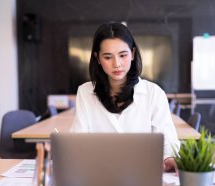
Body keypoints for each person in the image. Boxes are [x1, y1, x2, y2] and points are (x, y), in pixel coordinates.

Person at [70, 22, 180, 172]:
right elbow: (78, 142)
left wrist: (169, 158)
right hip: (99, 174)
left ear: (133, 54)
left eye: (123, 55)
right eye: (108, 57)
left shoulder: (154, 93)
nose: (117, 64)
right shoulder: (85, 92)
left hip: (143, 174)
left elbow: (168, 140)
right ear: (97, 58)